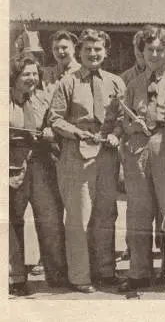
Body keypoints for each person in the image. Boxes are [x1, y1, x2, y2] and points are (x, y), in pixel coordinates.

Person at [117, 26, 165, 293]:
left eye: (160, 49)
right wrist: (132, 127)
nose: (154, 54)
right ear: (142, 51)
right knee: (138, 213)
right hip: (138, 149)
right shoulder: (134, 84)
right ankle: (139, 272)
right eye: (149, 49)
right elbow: (124, 122)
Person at [48, 28, 126, 293]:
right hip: (76, 154)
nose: (93, 54)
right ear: (79, 52)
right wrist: (77, 132)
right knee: (79, 216)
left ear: (106, 51)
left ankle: (105, 271)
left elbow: (123, 118)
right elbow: (55, 119)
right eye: (87, 50)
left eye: (98, 49)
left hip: (107, 154)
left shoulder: (115, 82)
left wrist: (116, 134)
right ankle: (80, 276)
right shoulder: (67, 82)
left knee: (106, 214)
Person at [9, 53, 69, 296]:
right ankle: (16, 277)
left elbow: (56, 124)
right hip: (13, 168)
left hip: (42, 166)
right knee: (12, 223)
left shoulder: (44, 99)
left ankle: (56, 274)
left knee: (51, 220)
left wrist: (50, 133)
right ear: (14, 76)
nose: (31, 78)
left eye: (35, 74)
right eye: (26, 74)